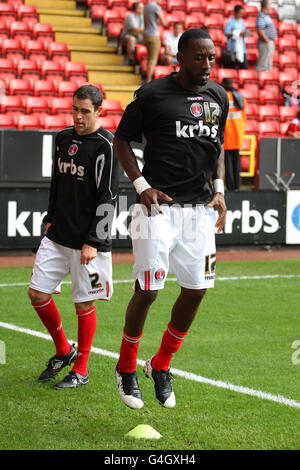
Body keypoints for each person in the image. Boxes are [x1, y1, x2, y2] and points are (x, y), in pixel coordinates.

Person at [113, 28, 229, 409]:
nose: (208, 64)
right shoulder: (151, 95)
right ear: (179, 58)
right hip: (156, 209)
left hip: (199, 212)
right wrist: (141, 185)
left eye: (212, 57)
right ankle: (126, 367)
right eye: (199, 57)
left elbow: (218, 145)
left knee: (196, 290)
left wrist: (220, 188)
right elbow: (121, 139)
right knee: (148, 290)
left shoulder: (218, 96)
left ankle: (160, 364)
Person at [28, 84, 119, 389]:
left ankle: (81, 369)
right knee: (37, 293)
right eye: (74, 110)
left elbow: (109, 196)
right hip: (58, 234)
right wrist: (50, 217)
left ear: (99, 111)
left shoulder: (107, 145)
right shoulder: (63, 138)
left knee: (84, 304)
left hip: (87, 242)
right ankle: (63, 350)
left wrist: (93, 240)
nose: (78, 117)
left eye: (85, 111)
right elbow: (57, 181)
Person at [222, 78, 247, 191]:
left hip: (227, 134)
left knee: (228, 163)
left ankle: (230, 186)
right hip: (237, 134)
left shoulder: (223, 96)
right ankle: (237, 186)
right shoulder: (241, 97)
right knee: (237, 162)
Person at [143, 0, 166, 82]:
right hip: (153, 35)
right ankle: (148, 80)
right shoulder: (156, 7)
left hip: (145, 34)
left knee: (149, 58)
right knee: (152, 59)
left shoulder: (146, 6)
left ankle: (147, 78)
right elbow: (164, 22)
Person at [224, 5, 248, 70]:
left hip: (241, 48)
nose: (241, 15)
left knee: (244, 68)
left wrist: (244, 33)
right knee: (232, 68)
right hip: (233, 48)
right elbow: (227, 33)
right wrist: (237, 33)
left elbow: (243, 31)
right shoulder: (230, 21)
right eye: (240, 13)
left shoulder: (242, 21)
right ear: (235, 12)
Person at [256, 0, 277, 73]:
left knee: (268, 63)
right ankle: (259, 79)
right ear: (265, 6)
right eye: (270, 4)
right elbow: (260, 29)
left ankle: (267, 79)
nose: (271, 6)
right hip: (264, 42)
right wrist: (267, 40)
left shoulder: (266, 16)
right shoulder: (261, 16)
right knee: (263, 63)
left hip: (268, 42)